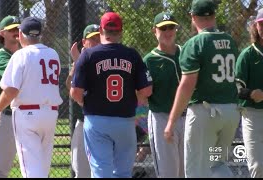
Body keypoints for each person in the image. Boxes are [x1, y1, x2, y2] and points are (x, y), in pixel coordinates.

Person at [70, 12, 153, 178]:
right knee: (122, 173)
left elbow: (75, 92)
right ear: (121, 32)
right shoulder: (132, 55)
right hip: (125, 121)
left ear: (101, 30)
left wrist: (84, 103)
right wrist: (131, 101)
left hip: (97, 121)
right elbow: (146, 91)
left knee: (101, 171)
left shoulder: (88, 55)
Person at [163, 0, 240, 178]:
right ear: (214, 15)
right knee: (216, 164)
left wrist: (171, 122)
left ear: (193, 17)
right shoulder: (229, 41)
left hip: (205, 115)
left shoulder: (195, 43)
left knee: (196, 170)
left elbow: (187, 85)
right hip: (230, 113)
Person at [0, 16, 63, 178]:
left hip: (27, 115)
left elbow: (12, 90)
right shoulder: (53, 53)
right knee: (42, 167)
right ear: (40, 35)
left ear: (22, 35)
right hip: (50, 114)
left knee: (31, 170)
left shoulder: (20, 55)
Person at [143, 12, 184, 178]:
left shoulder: (186, 52)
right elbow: (143, 95)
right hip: (161, 118)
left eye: (171, 27)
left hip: (188, 117)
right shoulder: (149, 60)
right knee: (168, 174)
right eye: (163, 28)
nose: (168, 32)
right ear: (154, 31)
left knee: (188, 172)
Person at [65, 24, 100, 178]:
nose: (97, 41)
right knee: (81, 168)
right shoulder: (80, 62)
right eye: (93, 39)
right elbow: (69, 86)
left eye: (99, 38)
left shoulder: (106, 60)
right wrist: (78, 63)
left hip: (102, 121)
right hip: (83, 120)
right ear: (84, 42)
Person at [0, 15, 20, 178]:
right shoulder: (2, 56)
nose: (16, 31)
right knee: (1, 167)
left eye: (18, 28)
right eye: (11, 30)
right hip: (6, 117)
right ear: (2, 33)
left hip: (24, 115)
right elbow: (13, 82)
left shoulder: (23, 55)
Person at [235, 8, 263, 178]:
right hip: (252, 115)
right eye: (261, 24)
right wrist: (251, 93)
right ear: (255, 26)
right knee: (258, 166)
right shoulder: (247, 55)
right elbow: (236, 89)